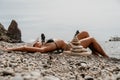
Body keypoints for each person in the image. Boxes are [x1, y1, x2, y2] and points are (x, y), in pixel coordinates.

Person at [1, 31, 109, 58]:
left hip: (69, 42)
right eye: (36, 43)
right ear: (35, 47)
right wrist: (8, 49)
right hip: (70, 47)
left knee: (85, 33)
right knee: (92, 39)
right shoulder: (44, 48)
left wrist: (41, 41)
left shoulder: (44, 44)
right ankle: (105, 56)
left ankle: (94, 52)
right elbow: (24, 48)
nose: (38, 42)